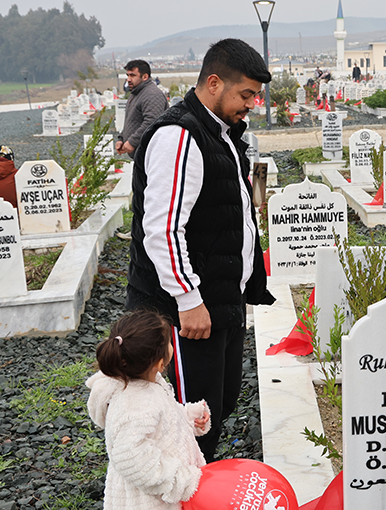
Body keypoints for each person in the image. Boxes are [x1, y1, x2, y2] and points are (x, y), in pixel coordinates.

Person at [126, 38, 275, 463]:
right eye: (246, 94)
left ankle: (200, 486)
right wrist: (188, 299)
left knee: (217, 406)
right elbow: (161, 229)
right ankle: (179, 493)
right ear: (214, 82)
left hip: (217, 301)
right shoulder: (180, 136)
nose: (252, 103)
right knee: (190, 420)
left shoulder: (220, 132)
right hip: (187, 311)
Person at [86, 309, 211, 509]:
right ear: (161, 363)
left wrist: (188, 419)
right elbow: (130, 457)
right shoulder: (136, 405)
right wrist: (182, 481)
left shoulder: (145, 382)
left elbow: (161, 423)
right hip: (151, 501)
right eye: (169, 342)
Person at [118, 59, 169, 159]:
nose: (128, 79)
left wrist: (132, 141)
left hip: (152, 157)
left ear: (145, 76)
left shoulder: (152, 95)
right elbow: (131, 121)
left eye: (132, 75)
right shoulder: (136, 93)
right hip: (141, 156)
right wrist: (122, 138)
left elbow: (152, 122)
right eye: (127, 75)